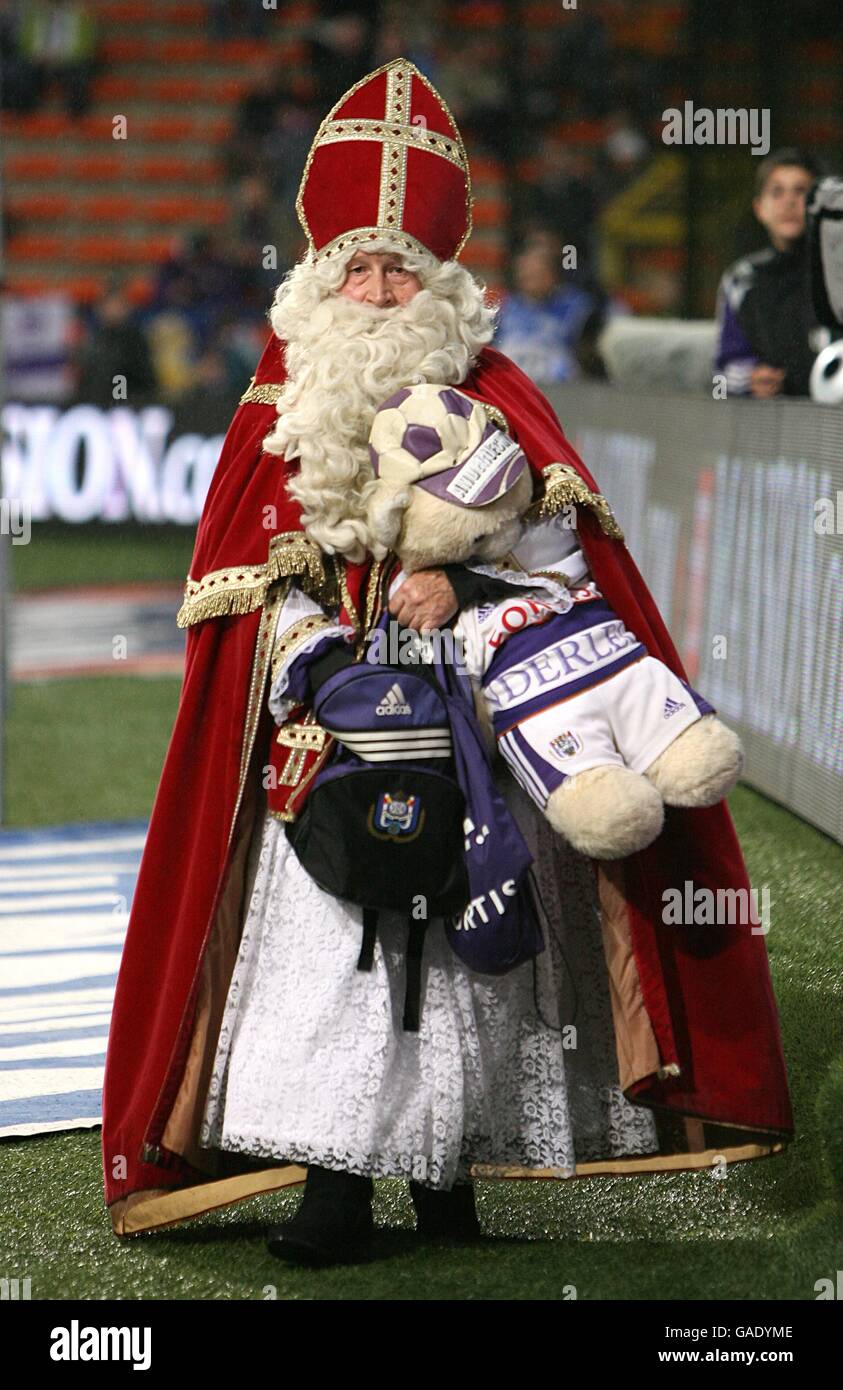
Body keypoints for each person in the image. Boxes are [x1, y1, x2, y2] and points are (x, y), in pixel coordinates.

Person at [101, 58, 793, 1264]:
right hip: (327, 738)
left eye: (397, 269)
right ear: (321, 280)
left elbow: (570, 568)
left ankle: (447, 1185)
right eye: (357, 268)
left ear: (436, 285)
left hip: (475, 728)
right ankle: (332, 1187)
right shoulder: (276, 406)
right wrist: (311, 637)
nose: (376, 289)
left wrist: (460, 581)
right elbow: (236, 590)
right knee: (332, 958)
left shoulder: (498, 394)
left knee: (479, 964)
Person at [714, 147, 829, 398]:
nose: (789, 202)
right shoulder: (741, 280)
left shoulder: (837, 274)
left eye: (801, 191)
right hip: (771, 430)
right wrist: (748, 379)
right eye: (777, 192)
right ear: (759, 208)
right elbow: (718, 382)